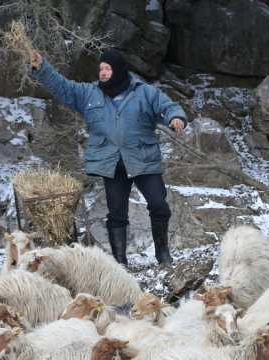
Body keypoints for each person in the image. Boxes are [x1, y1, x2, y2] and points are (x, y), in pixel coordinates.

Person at [30, 49, 187, 267]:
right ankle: (120, 263)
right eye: (101, 68)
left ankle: (162, 254)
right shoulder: (89, 93)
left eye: (108, 68)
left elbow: (168, 106)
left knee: (159, 204)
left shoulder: (144, 92)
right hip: (112, 163)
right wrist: (43, 68)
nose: (103, 73)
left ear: (119, 70)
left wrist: (176, 117)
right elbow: (63, 87)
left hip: (142, 159)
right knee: (116, 213)